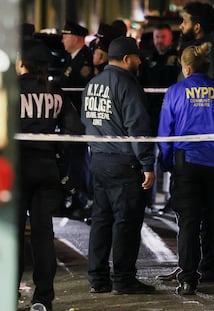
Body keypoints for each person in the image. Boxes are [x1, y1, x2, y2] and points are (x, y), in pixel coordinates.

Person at [158, 42, 214, 295]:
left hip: (187, 163)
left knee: (188, 222)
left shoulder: (175, 92)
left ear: (186, 68)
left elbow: (166, 133)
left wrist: (167, 162)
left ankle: (187, 279)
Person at [81, 36, 156, 295]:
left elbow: (85, 120)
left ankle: (97, 278)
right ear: (127, 59)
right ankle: (123, 279)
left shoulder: (92, 84)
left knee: (101, 220)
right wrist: (147, 163)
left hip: (99, 161)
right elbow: (138, 128)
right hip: (124, 163)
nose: (140, 60)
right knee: (126, 222)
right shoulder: (128, 85)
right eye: (137, 56)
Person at [17, 38, 84, 311]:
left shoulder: (9, 90)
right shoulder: (56, 92)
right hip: (47, 168)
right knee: (43, 234)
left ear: (22, 63)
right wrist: (57, 150)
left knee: (12, 235)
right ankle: (43, 298)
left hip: (16, 170)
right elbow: (75, 131)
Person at [139, 23, 180, 213]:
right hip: (151, 115)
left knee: (170, 159)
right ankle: (147, 199)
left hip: (170, 116)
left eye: (163, 37)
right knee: (148, 159)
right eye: (157, 37)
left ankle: (173, 199)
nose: (159, 41)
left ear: (170, 38)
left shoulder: (177, 58)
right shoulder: (148, 58)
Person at [59, 21, 94, 219]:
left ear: (78, 38)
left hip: (78, 120)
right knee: (73, 160)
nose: (63, 39)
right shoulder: (73, 59)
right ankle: (75, 196)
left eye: (66, 36)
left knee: (79, 161)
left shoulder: (84, 61)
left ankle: (81, 198)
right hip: (70, 120)